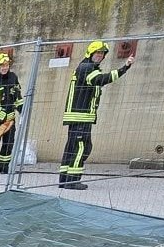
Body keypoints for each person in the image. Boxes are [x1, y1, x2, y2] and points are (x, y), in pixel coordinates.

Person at [58, 40, 136, 190]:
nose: (100, 55)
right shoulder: (87, 68)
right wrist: (125, 67)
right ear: (90, 53)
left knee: (72, 148)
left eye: (102, 53)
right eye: (97, 53)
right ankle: (72, 181)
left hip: (79, 116)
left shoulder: (86, 67)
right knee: (81, 148)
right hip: (81, 116)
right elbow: (101, 79)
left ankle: (64, 179)